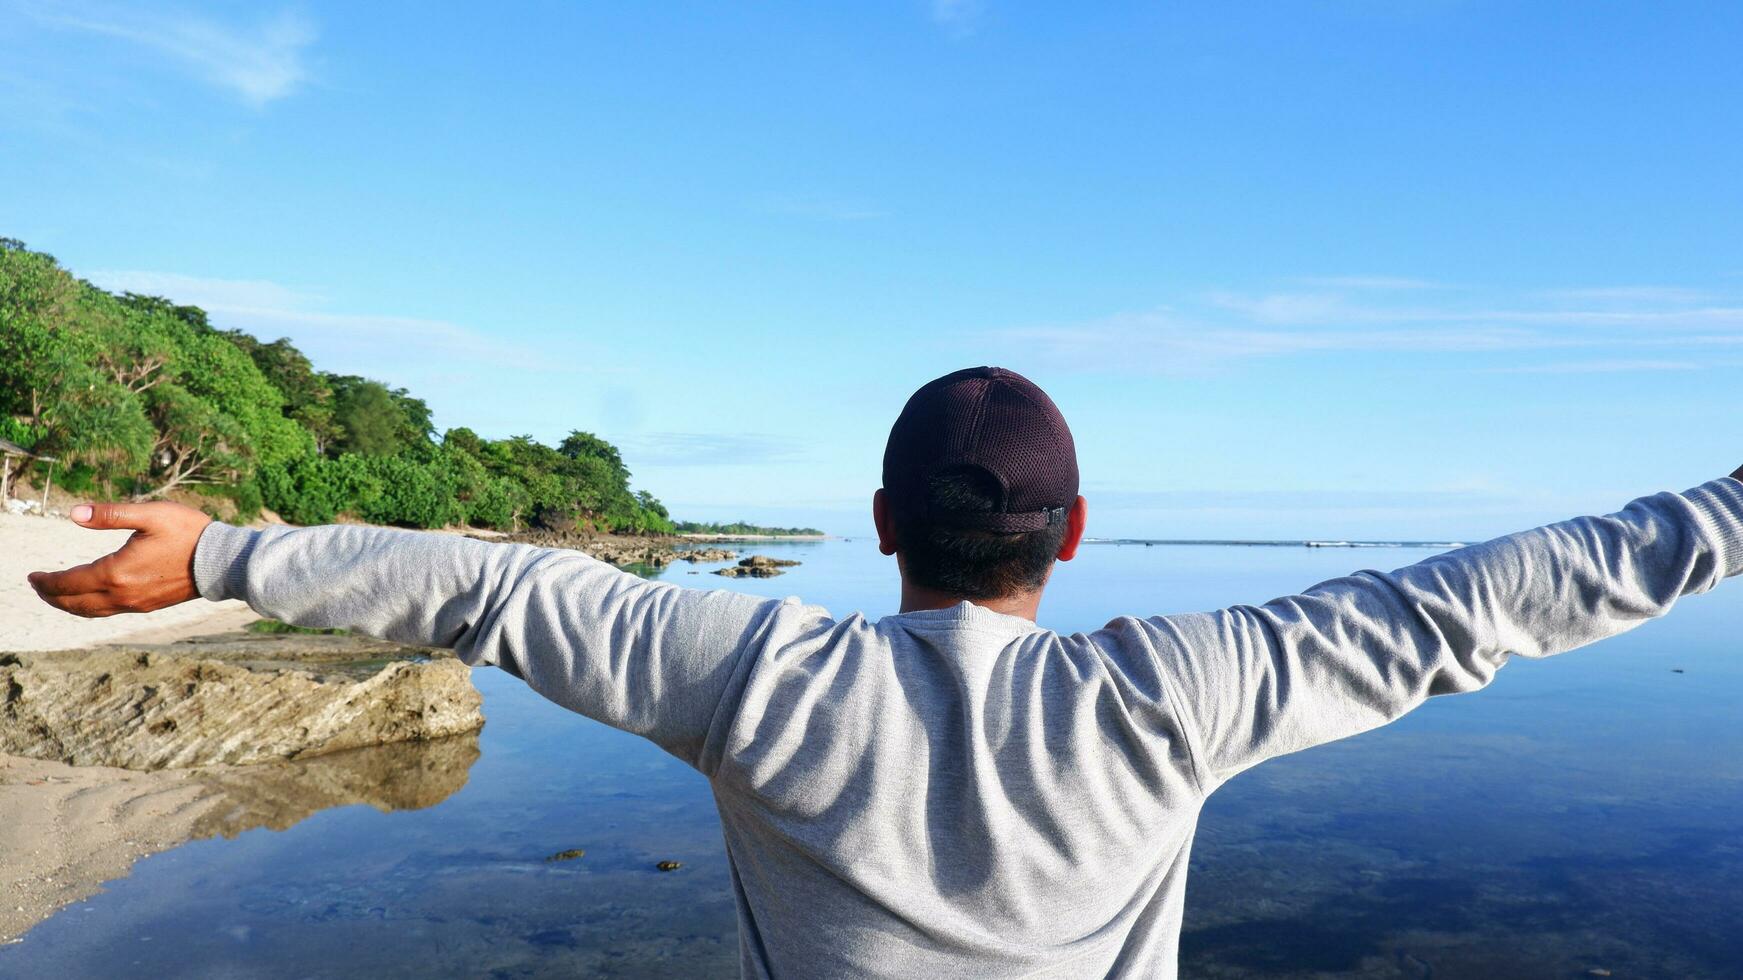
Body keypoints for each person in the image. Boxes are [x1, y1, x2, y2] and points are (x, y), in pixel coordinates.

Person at [28, 366, 1743, 978]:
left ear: (875, 523)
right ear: (1072, 540)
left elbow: (492, 591)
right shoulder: (1179, 690)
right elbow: (1487, 601)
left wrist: (229, 555)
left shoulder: (757, 673)